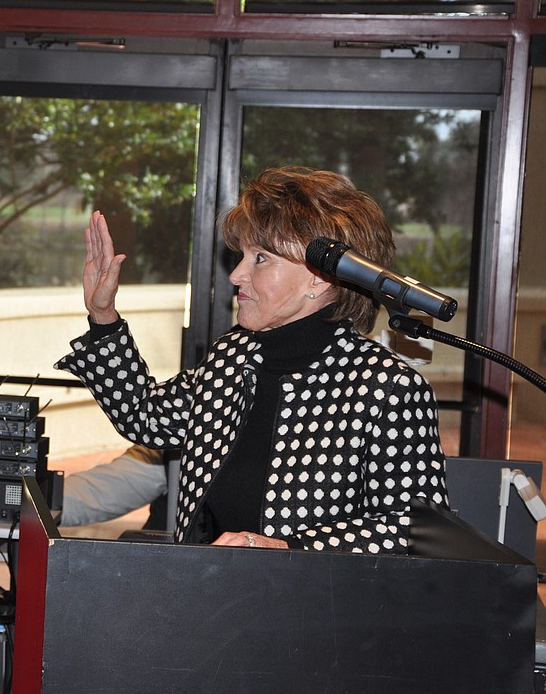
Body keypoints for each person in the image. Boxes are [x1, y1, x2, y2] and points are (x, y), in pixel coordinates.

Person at [55, 166, 448, 553]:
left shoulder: (388, 388)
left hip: (315, 609)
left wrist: (287, 548)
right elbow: (147, 418)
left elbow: (411, 530)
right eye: (242, 255)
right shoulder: (233, 355)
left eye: (261, 258)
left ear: (319, 279)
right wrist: (103, 316)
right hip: (211, 593)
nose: (237, 274)